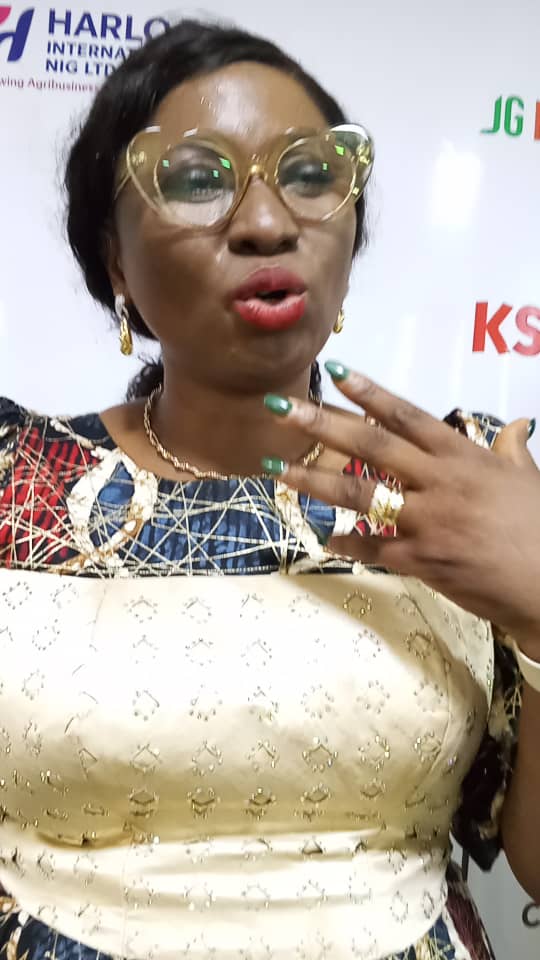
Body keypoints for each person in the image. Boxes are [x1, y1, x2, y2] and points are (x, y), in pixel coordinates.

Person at [0, 17, 538, 960]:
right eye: (196, 180)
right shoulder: (20, 482)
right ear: (116, 261)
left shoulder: (465, 481)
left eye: (311, 173)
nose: (266, 222)